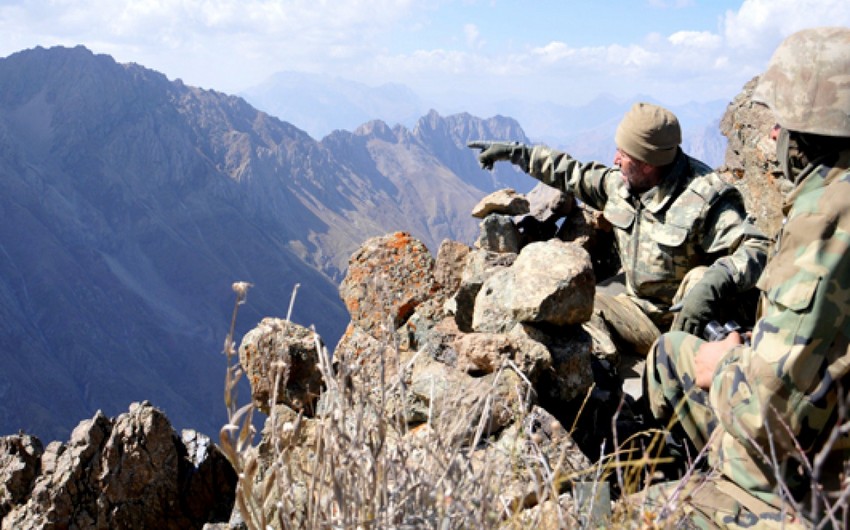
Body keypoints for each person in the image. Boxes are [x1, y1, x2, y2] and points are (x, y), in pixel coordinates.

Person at [644, 27, 850, 526]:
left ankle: (697, 489)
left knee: (644, 512)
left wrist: (726, 363)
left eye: (782, 124)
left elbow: (766, 411)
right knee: (670, 353)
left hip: (817, 482)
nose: (773, 137)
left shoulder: (826, 221)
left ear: (810, 131)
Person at [468, 103, 769, 357]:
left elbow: (756, 247)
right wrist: (515, 152)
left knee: (701, 278)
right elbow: (572, 173)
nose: (615, 160)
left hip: (693, 329)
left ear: (648, 164)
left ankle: (681, 378)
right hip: (642, 315)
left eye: (623, 155)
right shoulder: (624, 185)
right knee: (579, 309)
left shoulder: (706, 198)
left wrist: (713, 284)